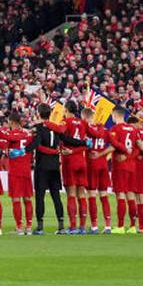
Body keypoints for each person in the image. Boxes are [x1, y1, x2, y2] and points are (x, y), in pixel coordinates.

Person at [33, 103, 84, 235]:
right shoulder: (56, 128)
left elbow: (37, 146)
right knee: (56, 196)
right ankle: (61, 226)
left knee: (40, 196)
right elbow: (69, 139)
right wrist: (84, 143)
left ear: (38, 114)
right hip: (55, 166)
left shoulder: (38, 128)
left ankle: (40, 227)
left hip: (42, 166)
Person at [59, 100, 90, 234]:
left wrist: (70, 151)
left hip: (69, 161)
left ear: (66, 110)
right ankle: (82, 227)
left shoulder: (65, 122)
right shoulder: (83, 123)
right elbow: (87, 144)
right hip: (81, 161)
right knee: (81, 194)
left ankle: (73, 227)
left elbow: (60, 135)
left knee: (71, 194)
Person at [108, 108, 140, 233]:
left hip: (120, 166)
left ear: (115, 115)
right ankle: (132, 227)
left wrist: (101, 155)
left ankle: (120, 226)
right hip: (132, 166)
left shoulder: (115, 129)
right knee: (130, 195)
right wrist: (129, 156)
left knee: (120, 195)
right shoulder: (133, 129)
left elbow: (113, 146)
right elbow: (138, 148)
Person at [2, 115, 34, 235]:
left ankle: (19, 227)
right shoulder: (28, 134)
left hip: (15, 170)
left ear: (11, 122)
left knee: (16, 198)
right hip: (26, 169)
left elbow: (6, 151)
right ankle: (29, 227)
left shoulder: (10, 135)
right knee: (27, 198)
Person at [84, 115, 113, 234]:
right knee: (104, 195)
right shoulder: (105, 130)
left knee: (92, 195)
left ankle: (94, 226)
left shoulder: (87, 130)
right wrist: (101, 155)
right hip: (103, 165)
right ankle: (108, 226)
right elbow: (113, 146)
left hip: (91, 165)